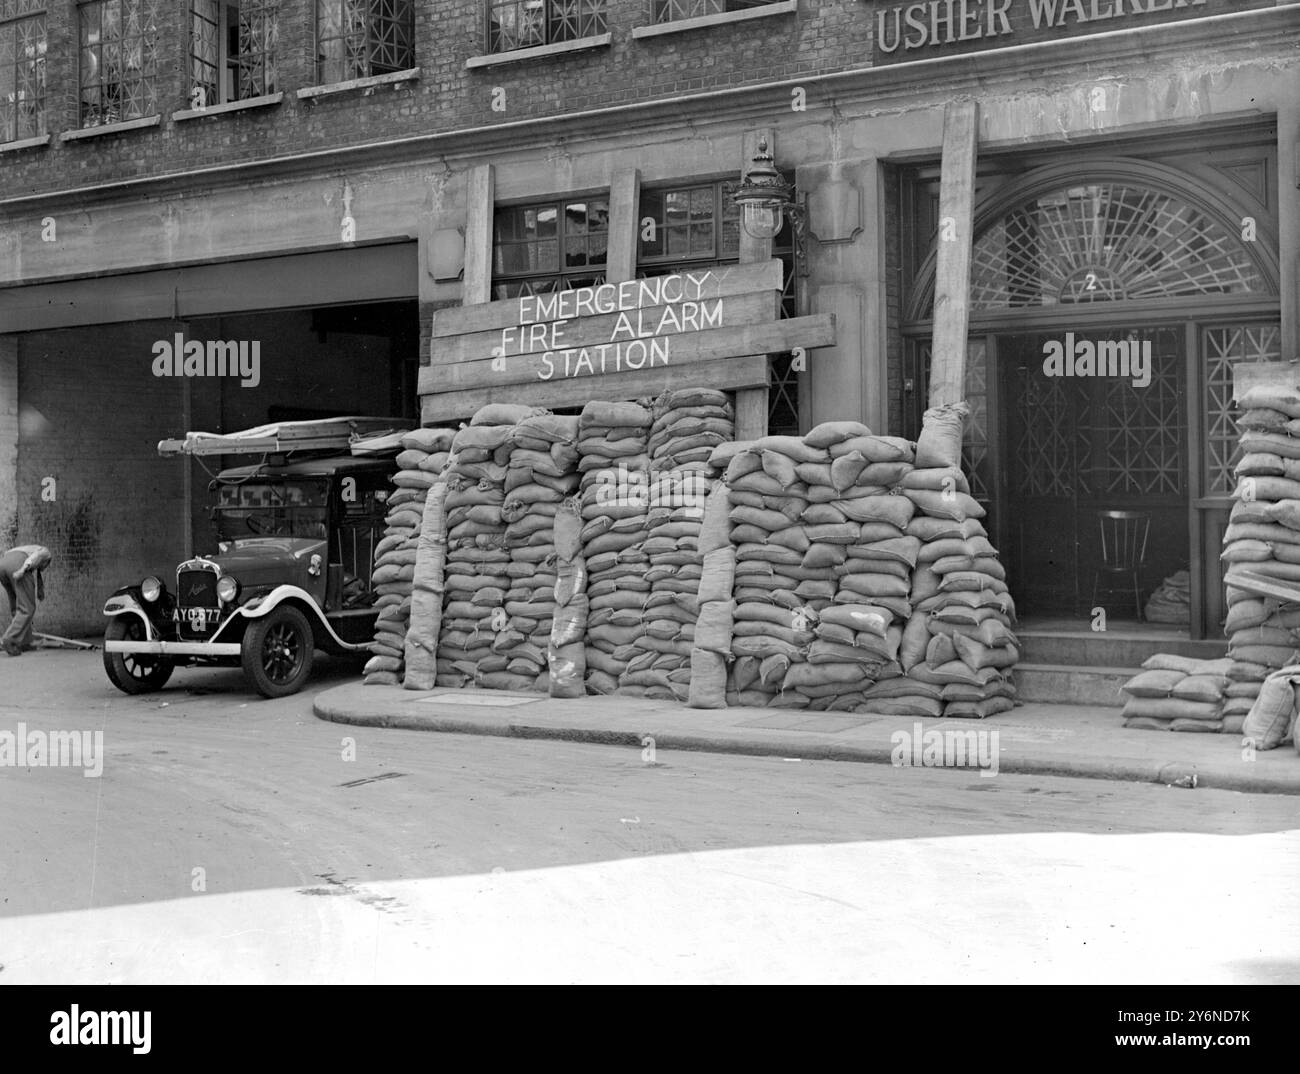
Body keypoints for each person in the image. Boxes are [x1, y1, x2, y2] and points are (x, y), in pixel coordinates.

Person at [0, 544, 52, 656]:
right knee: (27, 608)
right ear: (47, 561)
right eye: (45, 566)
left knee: (16, 608)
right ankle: (9, 640)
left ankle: (24, 642)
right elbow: (34, 558)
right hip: (19, 566)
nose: (43, 569)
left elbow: (7, 556)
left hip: (3, 566)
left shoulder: (26, 548)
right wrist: (22, 570)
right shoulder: (46, 553)